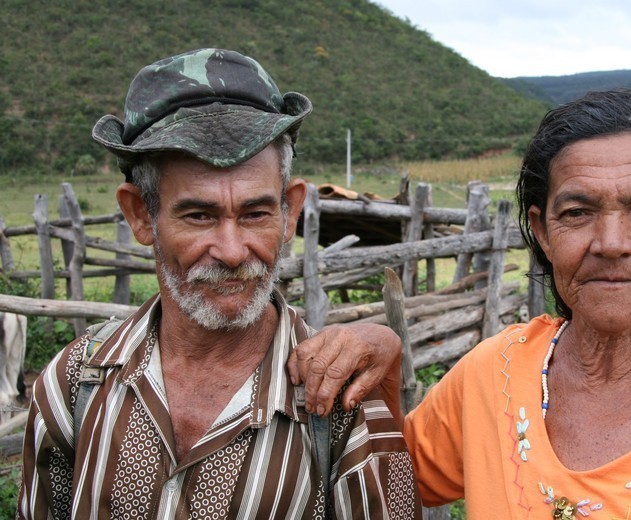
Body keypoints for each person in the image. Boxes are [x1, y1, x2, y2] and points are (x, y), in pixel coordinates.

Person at [292, 89, 631, 519]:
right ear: (542, 231)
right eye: (577, 212)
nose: (611, 243)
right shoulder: (493, 374)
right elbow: (395, 487)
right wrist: (386, 351)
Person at [17, 48, 421, 519]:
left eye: (255, 213)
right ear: (141, 215)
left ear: (290, 211)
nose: (231, 251)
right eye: (198, 215)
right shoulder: (74, 383)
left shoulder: (341, 400)